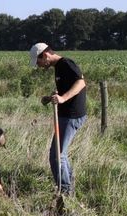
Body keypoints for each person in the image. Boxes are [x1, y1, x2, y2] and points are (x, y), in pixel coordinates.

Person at [30, 42, 87, 195]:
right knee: (60, 154)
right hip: (65, 115)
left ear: (45, 55)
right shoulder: (58, 68)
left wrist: (62, 99)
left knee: (56, 156)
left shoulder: (66, 63)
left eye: (39, 61)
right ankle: (68, 187)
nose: (39, 66)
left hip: (72, 116)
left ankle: (65, 192)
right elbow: (64, 90)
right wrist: (52, 97)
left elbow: (80, 82)